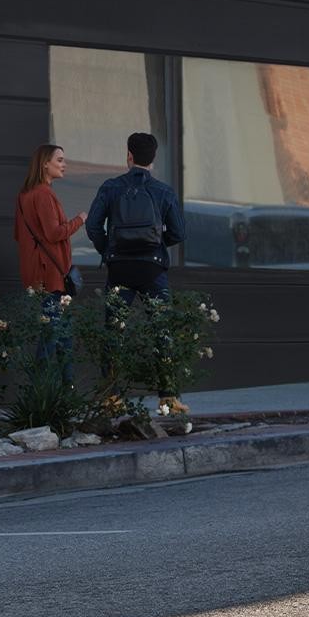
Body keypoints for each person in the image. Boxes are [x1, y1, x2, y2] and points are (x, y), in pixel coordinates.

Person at [85, 131, 189, 415]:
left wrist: (110, 249)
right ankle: (168, 399)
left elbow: (93, 226)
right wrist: (155, 245)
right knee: (161, 331)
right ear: (152, 160)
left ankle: (111, 399)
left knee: (114, 332)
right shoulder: (164, 191)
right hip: (152, 268)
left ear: (129, 156)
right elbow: (179, 232)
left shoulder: (111, 187)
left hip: (119, 268)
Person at [15, 144, 86, 296]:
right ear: (45, 163)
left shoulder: (24, 195)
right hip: (49, 273)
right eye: (60, 160)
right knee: (52, 318)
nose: (64, 165)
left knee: (40, 318)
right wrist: (79, 220)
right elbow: (54, 234)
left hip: (33, 273)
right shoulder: (44, 194)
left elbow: (19, 234)